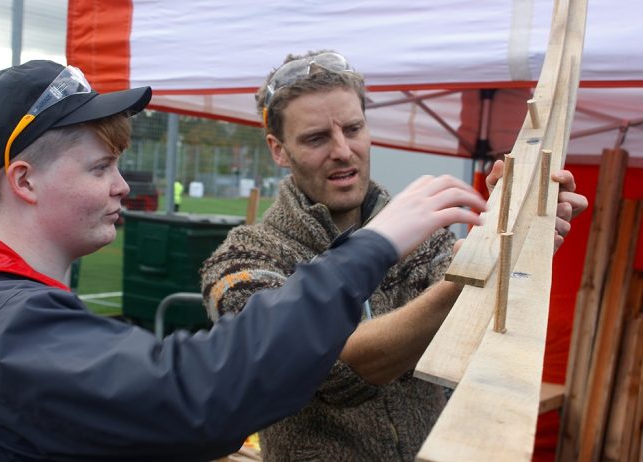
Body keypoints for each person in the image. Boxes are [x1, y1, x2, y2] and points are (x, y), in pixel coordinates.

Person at [0, 60, 488, 461]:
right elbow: (200, 390)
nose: (123, 186)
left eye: (354, 128)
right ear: (24, 181)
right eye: (100, 168)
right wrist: (375, 246)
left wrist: (497, 241)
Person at [200, 50, 589, 460]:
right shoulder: (241, 261)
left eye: (353, 128)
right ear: (278, 149)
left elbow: (473, 337)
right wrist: (470, 273)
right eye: (316, 138)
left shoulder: (423, 236)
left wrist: (511, 240)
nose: (343, 150)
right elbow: (334, 373)